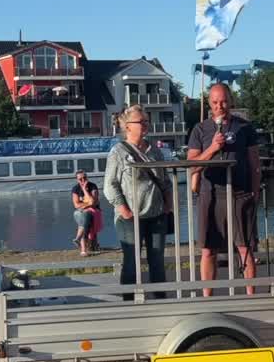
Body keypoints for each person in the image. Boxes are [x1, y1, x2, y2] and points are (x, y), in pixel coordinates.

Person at [187, 83, 261, 296]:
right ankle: (208, 298)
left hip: (240, 194)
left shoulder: (245, 128)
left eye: (224, 101)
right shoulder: (200, 130)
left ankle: (250, 295)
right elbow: (192, 166)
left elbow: (254, 163)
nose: (220, 106)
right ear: (209, 103)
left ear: (231, 101)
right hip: (211, 195)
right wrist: (212, 148)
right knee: (209, 249)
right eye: (215, 102)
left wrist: (255, 191)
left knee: (245, 248)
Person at [104, 104, 171, 297]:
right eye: (141, 121)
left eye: (147, 121)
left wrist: (168, 203)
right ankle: (129, 302)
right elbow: (110, 185)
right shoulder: (118, 152)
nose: (145, 125)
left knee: (157, 260)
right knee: (132, 261)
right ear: (127, 126)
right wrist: (124, 209)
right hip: (130, 217)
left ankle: (160, 300)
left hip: (157, 214)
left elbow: (164, 180)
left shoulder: (155, 151)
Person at [71, 169, 102, 256]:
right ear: (77, 180)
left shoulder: (93, 186)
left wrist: (84, 190)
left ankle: (82, 246)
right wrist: (87, 204)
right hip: (80, 212)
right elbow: (76, 205)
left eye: (84, 178)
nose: (83, 180)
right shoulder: (75, 189)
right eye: (80, 179)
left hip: (93, 211)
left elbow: (93, 202)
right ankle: (84, 246)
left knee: (85, 219)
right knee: (84, 218)